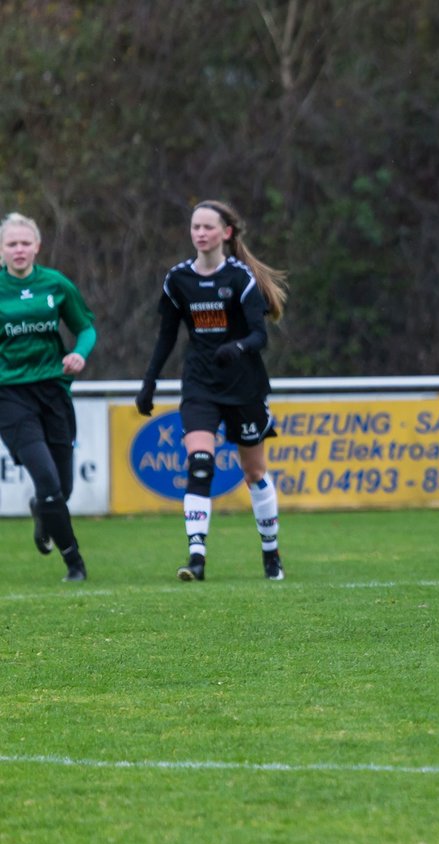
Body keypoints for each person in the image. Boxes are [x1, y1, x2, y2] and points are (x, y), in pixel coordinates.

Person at [135, 200, 289, 582]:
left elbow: (259, 335)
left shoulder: (240, 278)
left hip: (243, 386)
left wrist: (236, 347)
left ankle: (271, 553)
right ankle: (197, 558)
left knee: (254, 473)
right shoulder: (178, 280)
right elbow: (167, 336)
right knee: (200, 464)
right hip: (200, 385)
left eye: (208, 227)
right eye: (195, 227)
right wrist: (149, 381)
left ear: (226, 233)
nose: (200, 233)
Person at [0, 213, 96, 582]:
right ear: (3, 250)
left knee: (62, 488)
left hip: (54, 392)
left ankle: (42, 512)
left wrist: (80, 354)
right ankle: (75, 563)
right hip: (10, 396)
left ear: (37, 246)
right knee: (47, 480)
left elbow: (85, 327)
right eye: (12, 244)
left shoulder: (55, 284)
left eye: (25, 243)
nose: (19, 249)